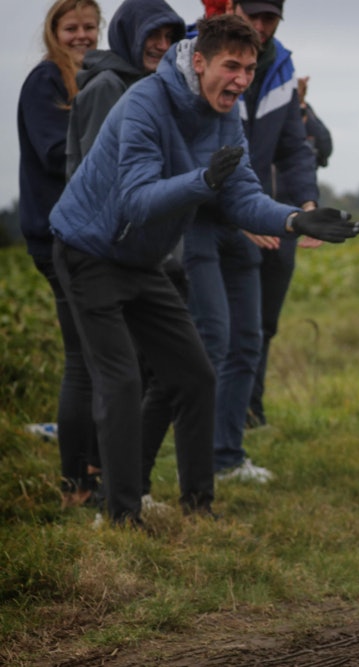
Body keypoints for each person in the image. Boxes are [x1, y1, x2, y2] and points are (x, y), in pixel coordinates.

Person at [48, 13, 359, 527]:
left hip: (143, 259)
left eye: (249, 69)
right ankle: (121, 514)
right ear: (199, 63)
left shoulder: (223, 114)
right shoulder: (146, 104)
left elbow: (240, 197)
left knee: (194, 375)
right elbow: (136, 201)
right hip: (90, 250)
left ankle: (198, 505)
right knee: (122, 381)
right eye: (230, 66)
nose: (240, 80)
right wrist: (201, 181)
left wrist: (294, 218)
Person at [183, 0, 320, 482]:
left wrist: (304, 204)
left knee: (250, 336)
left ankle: (229, 448)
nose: (261, 28)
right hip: (198, 219)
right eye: (253, 15)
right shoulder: (191, 53)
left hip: (256, 212)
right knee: (208, 339)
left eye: (271, 19)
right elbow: (189, 149)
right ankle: (191, 454)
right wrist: (239, 212)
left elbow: (294, 145)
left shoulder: (280, 65)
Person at [66, 0, 187, 512]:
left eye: (170, 35)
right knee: (125, 379)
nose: (161, 45)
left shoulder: (158, 90)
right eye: (151, 35)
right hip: (111, 258)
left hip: (153, 256)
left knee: (164, 375)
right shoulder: (107, 89)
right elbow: (102, 181)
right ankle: (110, 496)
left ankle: (131, 488)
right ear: (128, 37)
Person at [17, 0, 101, 509]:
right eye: (71, 27)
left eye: (90, 26)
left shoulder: (97, 76)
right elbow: (54, 153)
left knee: (99, 357)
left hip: (89, 234)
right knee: (81, 359)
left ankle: (95, 465)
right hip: (55, 235)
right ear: (54, 30)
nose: (82, 35)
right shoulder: (44, 82)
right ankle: (77, 483)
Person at [248, 74, 334, 429]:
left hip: (284, 229)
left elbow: (323, 148)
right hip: (244, 227)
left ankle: (253, 411)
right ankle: (231, 415)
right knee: (239, 327)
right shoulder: (245, 116)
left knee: (265, 326)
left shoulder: (297, 115)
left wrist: (300, 106)